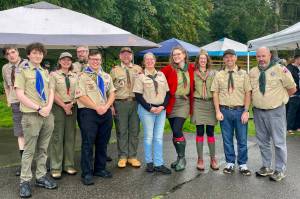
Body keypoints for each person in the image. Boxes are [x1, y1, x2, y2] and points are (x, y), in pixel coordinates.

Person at [15, 43, 57, 198]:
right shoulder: (22, 72)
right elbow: (20, 94)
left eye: (40, 53)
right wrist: (39, 108)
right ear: (29, 55)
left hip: (47, 116)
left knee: (43, 149)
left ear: (43, 55)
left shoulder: (46, 72)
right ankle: (24, 181)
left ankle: (40, 176)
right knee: (29, 150)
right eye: (34, 53)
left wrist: (48, 108)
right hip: (31, 116)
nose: (37, 55)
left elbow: (51, 91)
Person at [250, 47, 296, 182]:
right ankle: (266, 166)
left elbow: (292, 88)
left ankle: (280, 170)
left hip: (276, 112)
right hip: (258, 111)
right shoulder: (253, 72)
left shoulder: (280, 69)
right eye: (258, 56)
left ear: (269, 55)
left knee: (279, 142)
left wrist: (279, 100)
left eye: (263, 56)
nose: (261, 59)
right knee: (263, 141)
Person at [75, 50, 115, 185]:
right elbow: (80, 96)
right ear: (88, 60)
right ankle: (86, 173)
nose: (95, 62)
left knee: (103, 142)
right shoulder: (82, 76)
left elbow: (112, 93)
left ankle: (100, 168)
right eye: (92, 59)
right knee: (88, 143)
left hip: (106, 112)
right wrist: (96, 107)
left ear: (101, 60)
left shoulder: (106, 76)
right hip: (89, 112)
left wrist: (107, 106)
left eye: (97, 59)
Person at [211, 49, 252, 176]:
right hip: (225, 110)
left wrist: (246, 111)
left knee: (242, 139)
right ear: (224, 60)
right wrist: (217, 111)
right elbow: (215, 93)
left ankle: (242, 164)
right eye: (226, 57)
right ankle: (230, 163)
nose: (229, 59)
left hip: (240, 111)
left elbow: (248, 93)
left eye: (231, 57)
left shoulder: (243, 74)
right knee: (227, 139)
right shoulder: (219, 75)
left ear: (235, 58)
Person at [133, 52, 171, 174]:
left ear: (155, 61)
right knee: (149, 137)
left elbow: (168, 93)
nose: (149, 61)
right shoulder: (141, 76)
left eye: (151, 59)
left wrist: (163, 107)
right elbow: (138, 95)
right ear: (144, 62)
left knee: (159, 138)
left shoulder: (161, 75)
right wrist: (149, 108)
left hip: (160, 110)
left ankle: (159, 163)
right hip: (147, 110)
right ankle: (149, 162)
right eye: (147, 59)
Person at [161, 46, 194, 172]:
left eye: (178, 54)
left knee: (177, 129)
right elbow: (155, 76)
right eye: (174, 55)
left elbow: (202, 73)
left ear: (184, 55)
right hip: (171, 102)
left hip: (184, 103)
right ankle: (179, 158)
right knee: (175, 132)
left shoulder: (191, 68)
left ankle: (182, 158)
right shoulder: (168, 69)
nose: (176, 56)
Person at [110, 47, 142, 168]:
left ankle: (132, 156)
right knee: (121, 130)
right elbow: (110, 89)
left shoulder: (138, 69)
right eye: (123, 54)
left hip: (135, 103)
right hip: (120, 103)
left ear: (132, 56)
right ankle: (123, 156)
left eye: (128, 54)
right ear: (120, 57)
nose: (126, 56)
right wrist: (111, 105)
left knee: (134, 130)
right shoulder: (114, 71)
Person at [49, 52, 78, 179]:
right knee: (57, 136)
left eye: (69, 60)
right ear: (59, 61)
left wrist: (71, 104)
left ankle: (69, 165)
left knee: (70, 136)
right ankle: (56, 167)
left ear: (71, 62)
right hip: (58, 107)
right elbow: (52, 92)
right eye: (63, 60)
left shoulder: (75, 76)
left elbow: (80, 91)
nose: (66, 62)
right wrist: (64, 105)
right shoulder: (53, 75)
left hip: (72, 106)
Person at [191, 49, 219, 171]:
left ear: (207, 60)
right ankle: (200, 159)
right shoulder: (193, 73)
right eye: (201, 58)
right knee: (200, 131)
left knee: (210, 132)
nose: (203, 60)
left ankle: (213, 158)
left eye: (205, 58)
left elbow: (218, 89)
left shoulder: (214, 73)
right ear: (198, 60)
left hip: (210, 104)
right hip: (198, 103)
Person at [1, 46, 26, 176]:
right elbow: (6, 85)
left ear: (17, 52)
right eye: (8, 54)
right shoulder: (5, 68)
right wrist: (9, 100)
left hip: (29, 104)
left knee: (34, 133)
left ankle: (41, 164)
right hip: (16, 104)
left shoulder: (27, 64)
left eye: (13, 52)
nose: (11, 55)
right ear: (5, 56)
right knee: (20, 134)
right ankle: (24, 165)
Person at [286, 49, 300, 134]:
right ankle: (289, 128)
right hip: (293, 93)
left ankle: (297, 126)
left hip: (299, 93)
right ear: (296, 59)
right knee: (292, 111)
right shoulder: (289, 68)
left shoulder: (298, 68)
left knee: (298, 111)